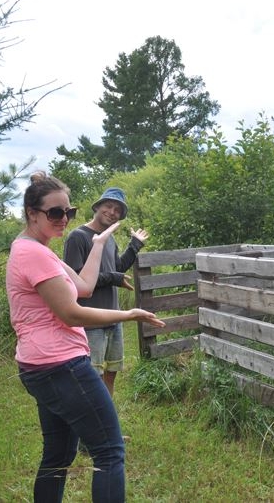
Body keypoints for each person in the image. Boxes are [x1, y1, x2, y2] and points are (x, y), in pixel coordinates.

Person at [5, 171, 165, 503]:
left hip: (40, 365)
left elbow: (83, 287)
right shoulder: (33, 253)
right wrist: (129, 313)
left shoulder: (36, 248)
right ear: (32, 213)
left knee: (58, 456)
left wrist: (99, 243)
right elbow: (72, 312)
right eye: (54, 213)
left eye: (68, 212)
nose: (63, 219)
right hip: (60, 365)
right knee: (109, 451)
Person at [63, 187, 147, 399]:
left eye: (118, 210)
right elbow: (76, 281)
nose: (112, 212)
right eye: (108, 206)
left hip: (113, 318)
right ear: (97, 207)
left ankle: (108, 430)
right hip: (91, 323)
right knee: (93, 380)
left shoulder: (109, 239)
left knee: (111, 374)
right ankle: (95, 430)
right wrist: (112, 278)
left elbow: (117, 269)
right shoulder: (78, 237)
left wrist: (135, 245)